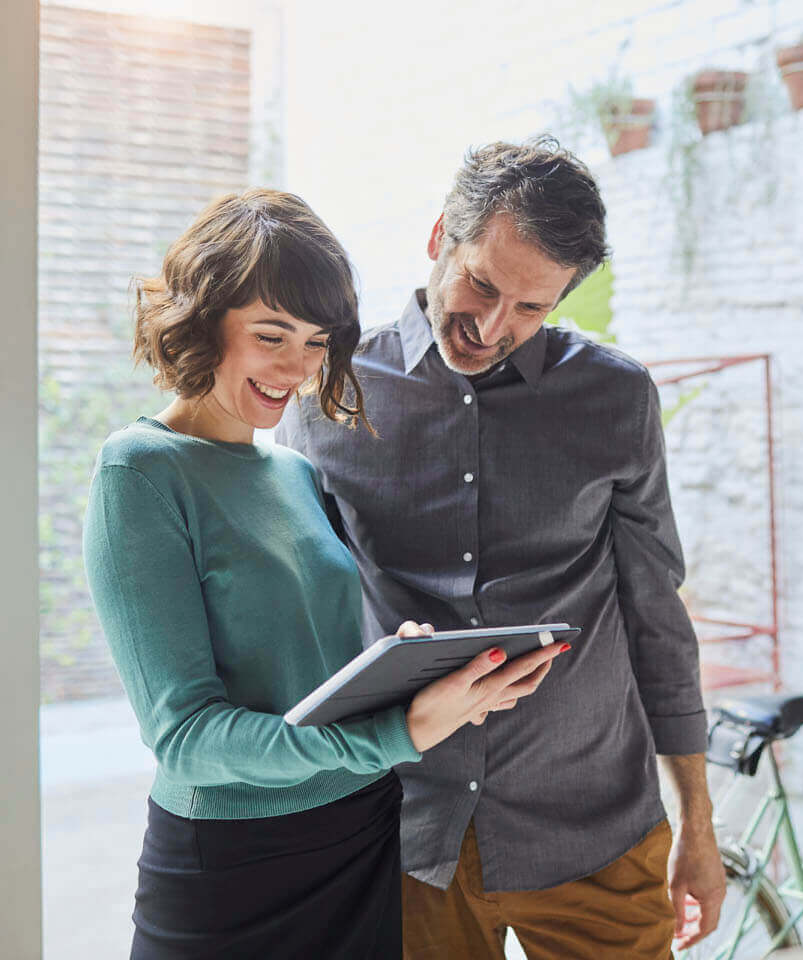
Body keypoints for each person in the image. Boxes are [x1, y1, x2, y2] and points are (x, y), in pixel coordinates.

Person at [81, 189, 567, 960]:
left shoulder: (292, 472)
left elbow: (308, 676)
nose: (296, 368)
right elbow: (186, 738)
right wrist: (398, 734)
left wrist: (405, 676)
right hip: (236, 866)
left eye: (316, 342)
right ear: (205, 320)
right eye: (271, 334)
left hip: (360, 831)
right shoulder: (140, 472)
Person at [278, 138, 727, 959]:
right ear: (440, 236)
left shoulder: (616, 398)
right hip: (412, 836)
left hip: (598, 828)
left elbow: (656, 612)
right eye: (481, 284)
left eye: (531, 309)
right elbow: (304, 625)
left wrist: (698, 822)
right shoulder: (327, 397)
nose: (491, 327)